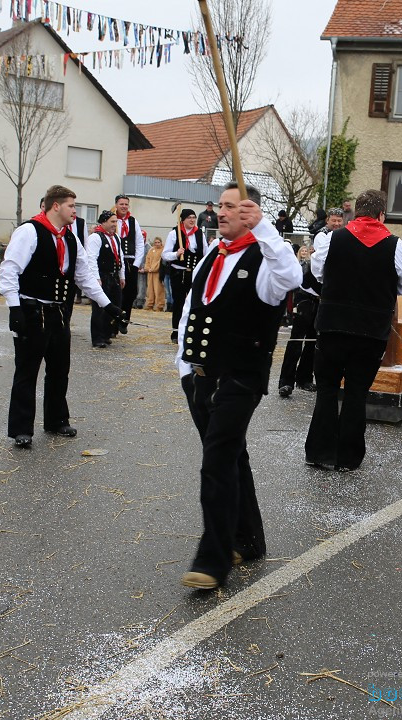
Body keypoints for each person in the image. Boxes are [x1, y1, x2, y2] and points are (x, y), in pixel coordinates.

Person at [175, 182, 303, 590]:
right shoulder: (212, 254)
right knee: (232, 457)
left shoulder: (265, 259)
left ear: (249, 212)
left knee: (216, 461)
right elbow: (192, 312)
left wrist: (264, 228)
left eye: (233, 207)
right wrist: (183, 366)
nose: (223, 212)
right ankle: (248, 539)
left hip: (240, 377)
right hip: (199, 377)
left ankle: (213, 558)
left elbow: (291, 275)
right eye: (222, 206)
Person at [0, 185, 121, 449]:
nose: (75, 211)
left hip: (58, 313)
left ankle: (56, 420)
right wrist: (14, 308)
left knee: (59, 370)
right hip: (32, 311)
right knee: (27, 371)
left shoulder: (71, 238)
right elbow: (8, 270)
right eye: (71, 206)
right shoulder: (29, 231)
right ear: (56, 206)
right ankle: (21, 429)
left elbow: (84, 276)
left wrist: (108, 305)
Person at [305, 189, 402, 471]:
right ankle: (348, 457)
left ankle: (321, 452)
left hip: (332, 325)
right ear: (382, 215)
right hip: (371, 330)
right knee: (357, 392)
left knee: (327, 389)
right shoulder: (395, 245)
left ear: (356, 212)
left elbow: (318, 272)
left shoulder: (334, 238)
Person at [279, 210, 343, 397]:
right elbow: (325, 259)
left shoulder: (341, 236)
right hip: (307, 293)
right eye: (334, 220)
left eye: (340, 221)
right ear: (328, 220)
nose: (337, 224)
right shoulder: (322, 235)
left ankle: (304, 378)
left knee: (314, 340)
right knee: (297, 338)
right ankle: (286, 381)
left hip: (323, 297)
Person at [83, 210, 125, 348]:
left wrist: (122, 276)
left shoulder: (116, 238)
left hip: (114, 276)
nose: (115, 224)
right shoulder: (96, 237)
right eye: (112, 222)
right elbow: (91, 258)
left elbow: (121, 258)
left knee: (114, 305)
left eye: (116, 222)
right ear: (103, 222)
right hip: (102, 275)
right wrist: (96, 278)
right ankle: (97, 337)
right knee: (99, 308)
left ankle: (107, 334)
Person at [164, 209, 205, 344]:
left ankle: (192, 331)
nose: (192, 220)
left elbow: (206, 253)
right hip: (179, 273)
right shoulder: (174, 233)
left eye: (194, 217)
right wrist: (176, 253)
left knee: (195, 302)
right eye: (189, 218)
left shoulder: (199, 234)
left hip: (194, 273)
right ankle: (176, 331)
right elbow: (165, 254)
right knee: (179, 302)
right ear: (182, 219)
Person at [113, 194, 146, 333]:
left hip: (130, 261)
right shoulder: (112, 220)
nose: (124, 207)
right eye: (121, 204)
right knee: (116, 293)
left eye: (126, 204)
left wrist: (136, 264)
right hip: (116, 261)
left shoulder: (133, 221)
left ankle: (124, 321)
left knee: (130, 293)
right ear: (116, 205)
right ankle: (113, 322)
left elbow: (139, 243)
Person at [143, 237, 165, 311]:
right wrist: (147, 268)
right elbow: (147, 259)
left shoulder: (163, 250)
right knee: (150, 289)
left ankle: (159, 305)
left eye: (158, 242)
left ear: (161, 243)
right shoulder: (151, 250)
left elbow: (160, 262)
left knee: (158, 289)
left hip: (157, 273)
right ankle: (150, 304)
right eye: (155, 242)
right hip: (150, 272)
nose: (157, 244)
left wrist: (154, 268)